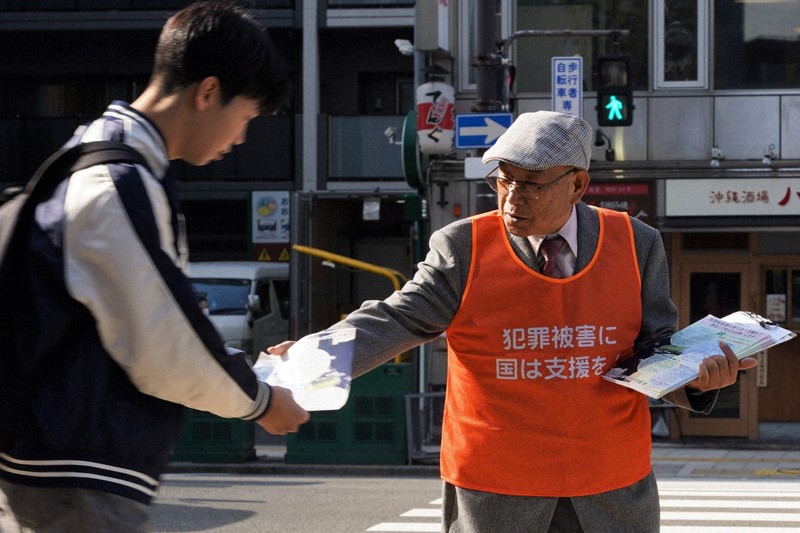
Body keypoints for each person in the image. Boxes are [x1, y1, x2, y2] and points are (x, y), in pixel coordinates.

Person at [269, 110, 757, 532]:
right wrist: (309, 362)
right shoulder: (463, 247)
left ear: (578, 185)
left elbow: (654, 350)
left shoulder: (637, 243)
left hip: (609, 486)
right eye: (502, 179)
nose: (511, 199)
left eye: (530, 185)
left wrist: (696, 379)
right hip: (498, 489)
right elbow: (399, 318)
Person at [0, 2, 308, 531]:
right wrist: (262, 401)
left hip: (58, 452)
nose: (239, 139)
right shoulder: (118, 183)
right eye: (246, 118)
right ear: (208, 92)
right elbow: (163, 341)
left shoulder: (100, 156)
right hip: (78, 466)